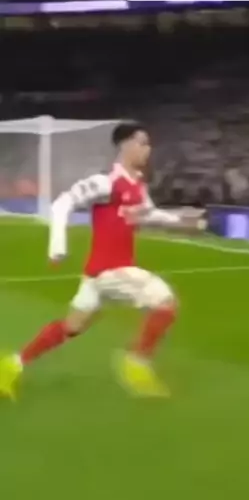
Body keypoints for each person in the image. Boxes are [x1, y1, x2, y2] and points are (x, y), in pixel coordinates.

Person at [0, 122, 205, 400]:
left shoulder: (137, 186)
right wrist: (58, 246)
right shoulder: (105, 182)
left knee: (71, 327)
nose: (148, 149)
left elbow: (150, 214)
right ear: (125, 145)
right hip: (112, 271)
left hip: (96, 277)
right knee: (166, 303)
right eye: (143, 143)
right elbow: (62, 203)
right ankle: (136, 361)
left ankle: (11, 366)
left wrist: (185, 220)